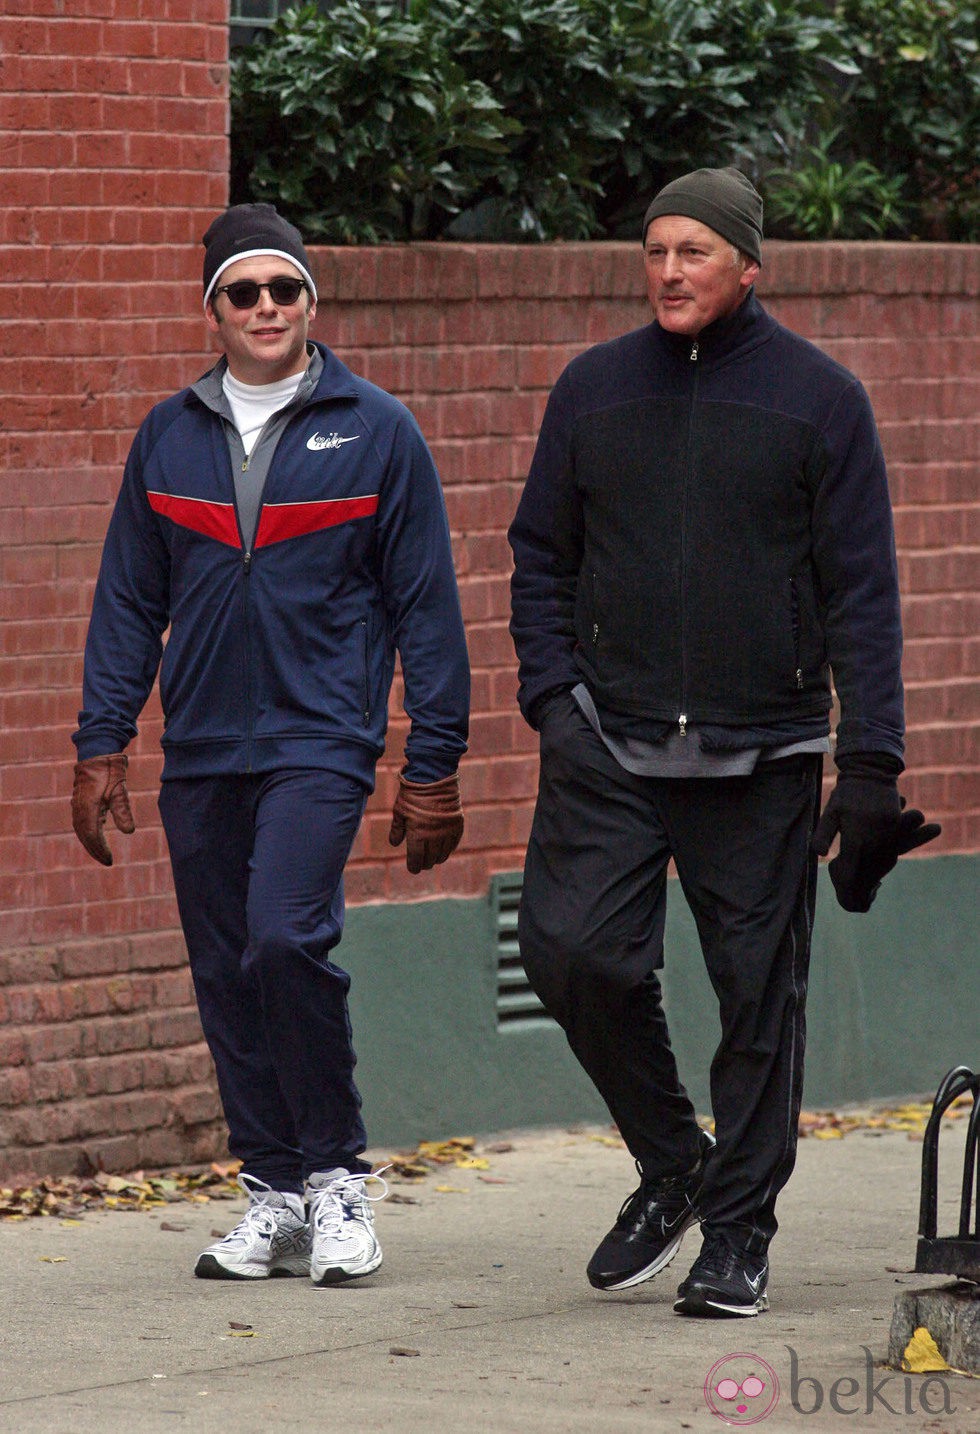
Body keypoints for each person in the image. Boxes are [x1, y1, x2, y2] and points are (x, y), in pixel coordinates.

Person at [508, 167, 939, 1318]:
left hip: (763, 753)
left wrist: (870, 768)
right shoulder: (591, 389)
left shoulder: (818, 399)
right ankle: (672, 1161)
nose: (666, 271)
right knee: (569, 954)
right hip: (607, 738)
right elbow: (540, 556)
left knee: (756, 999)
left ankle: (737, 1231)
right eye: (652, 251)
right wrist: (552, 699)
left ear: (747, 265)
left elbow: (861, 591)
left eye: (692, 251)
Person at [72, 203, 470, 1286]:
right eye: (241, 292)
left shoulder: (376, 429)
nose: (264, 309)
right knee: (223, 969)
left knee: (284, 940)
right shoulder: (169, 434)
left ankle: (337, 1179)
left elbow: (425, 604)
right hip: (200, 741)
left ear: (309, 303)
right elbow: (125, 598)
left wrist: (433, 759)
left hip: (319, 736)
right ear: (212, 309)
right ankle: (275, 1191)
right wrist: (100, 740)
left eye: (282, 289)